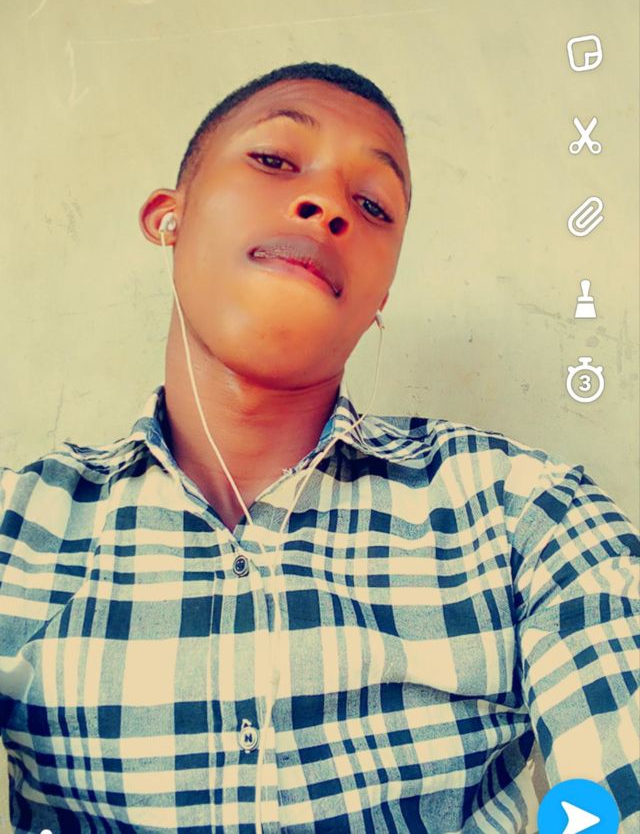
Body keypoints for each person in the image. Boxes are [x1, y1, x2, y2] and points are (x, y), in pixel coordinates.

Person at [0, 61, 638, 834]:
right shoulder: (19, 528)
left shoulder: (519, 510)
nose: (328, 204)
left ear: (380, 299)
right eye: (275, 160)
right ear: (169, 217)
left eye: (372, 205)